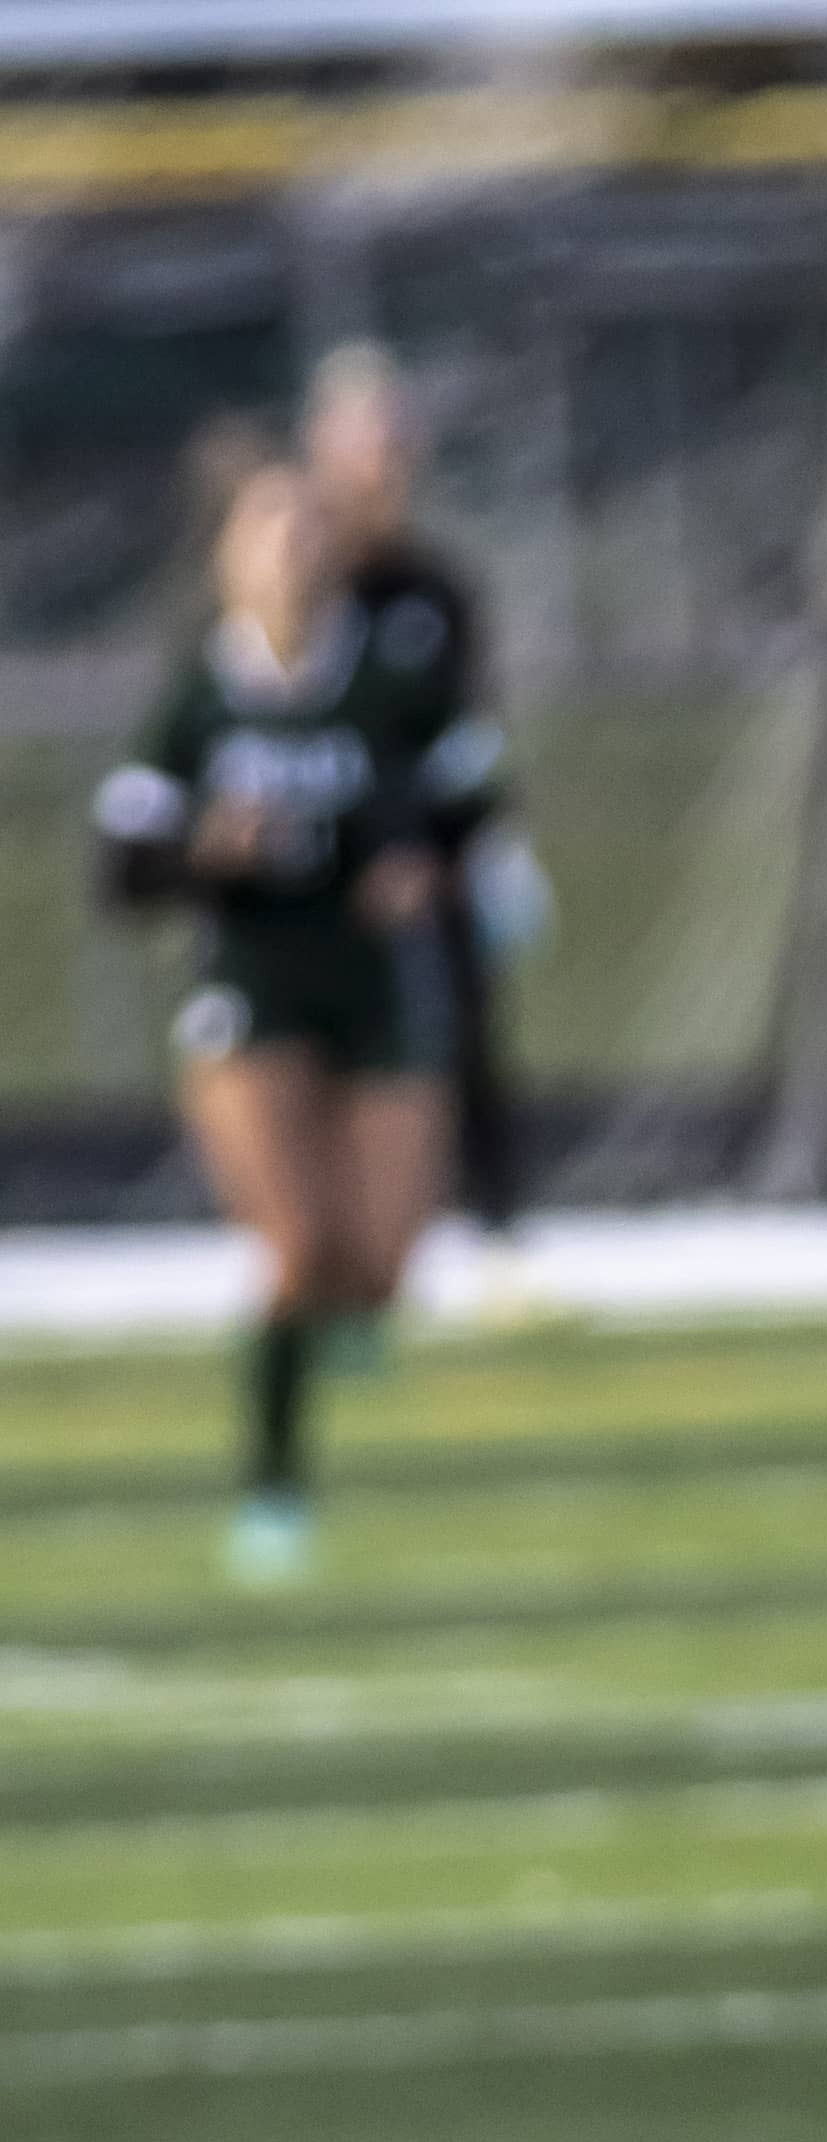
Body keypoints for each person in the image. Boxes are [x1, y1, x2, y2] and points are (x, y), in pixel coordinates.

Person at [93, 441, 490, 1586]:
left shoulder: (388, 684)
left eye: (310, 525)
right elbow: (124, 873)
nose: (293, 547)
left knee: (379, 1262)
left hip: (370, 985)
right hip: (254, 988)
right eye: (268, 526)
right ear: (230, 558)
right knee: (297, 1245)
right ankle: (272, 1489)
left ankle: (329, 1326)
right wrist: (205, 855)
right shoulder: (200, 699)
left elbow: (472, 798)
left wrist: (420, 863)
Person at [303, 342, 543, 1252]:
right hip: (313, 873)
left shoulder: (437, 590)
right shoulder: (302, 584)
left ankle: (493, 1229)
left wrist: (456, 847)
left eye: (395, 446)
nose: (383, 467)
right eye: (365, 445)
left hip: (421, 860)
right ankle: (336, 1238)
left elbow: (466, 737)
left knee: (462, 1029)